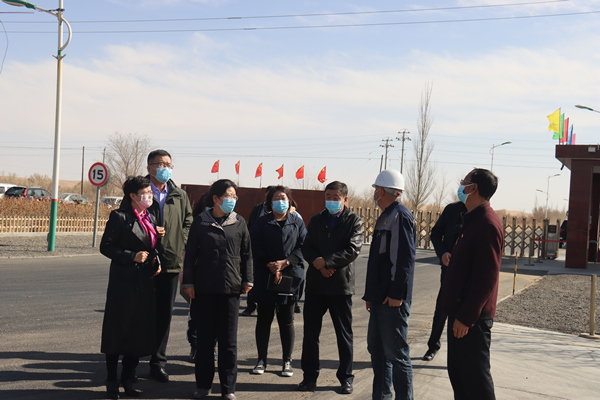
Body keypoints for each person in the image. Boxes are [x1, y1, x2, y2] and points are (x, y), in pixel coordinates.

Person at [182, 179, 253, 400]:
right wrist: (188, 283)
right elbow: (190, 254)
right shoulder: (201, 222)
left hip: (230, 288)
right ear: (216, 198)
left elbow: (247, 254)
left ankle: (228, 388)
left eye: (234, 196)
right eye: (228, 196)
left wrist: (248, 279)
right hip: (204, 288)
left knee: (228, 342)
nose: (232, 200)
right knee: (205, 341)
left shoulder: (239, 222)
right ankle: (203, 385)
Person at [100, 176, 165, 399]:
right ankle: (112, 380)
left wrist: (156, 260)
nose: (149, 196)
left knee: (137, 333)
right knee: (117, 333)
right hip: (123, 283)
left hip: (144, 282)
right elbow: (106, 247)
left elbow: (151, 246)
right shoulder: (119, 217)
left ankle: (128, 378)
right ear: (133, 196)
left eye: (150, 192)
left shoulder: (150, 217)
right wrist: (131, 256)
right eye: (145, 193)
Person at [440, 168, 503, 400]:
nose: (460, 186)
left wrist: (466, 317)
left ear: (473, 188)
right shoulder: (471, 219)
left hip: (471, 320)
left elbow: (487, 278)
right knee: (460, 379)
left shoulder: (487, 223)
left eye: (463, 182)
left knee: (476, 383)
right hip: (459, 312)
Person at [298, 181, 363, 394]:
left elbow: (352, 249)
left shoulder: (354, 221)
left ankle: (346, 378)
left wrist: (325, 262)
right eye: (328, 196)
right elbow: (307, 246)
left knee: (343, 335)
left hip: (340, 287)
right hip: (316, 285)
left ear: (345, 199)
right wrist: (318, 263)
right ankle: (309, 377)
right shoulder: (316, 220)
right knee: (310, 335)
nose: (331, 201)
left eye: (336, 197)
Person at [363, 169, 416, 400]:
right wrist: (371, 295)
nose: (374, 193)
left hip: (392, 300)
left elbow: (404, 259)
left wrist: (396, 294)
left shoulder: (400, 216)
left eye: (376, 189)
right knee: (377, 351)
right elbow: (379, 261)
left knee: (396, 354)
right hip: (379, 298)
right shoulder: (386, 215)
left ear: (383, 191)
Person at [145, 149, 194, 382]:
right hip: (145, 262)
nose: (165, 168)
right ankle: (131, 362)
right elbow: (128, 220)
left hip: (171, 262)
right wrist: (149, 233)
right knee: (140, 313)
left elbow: (188, 221)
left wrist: (179, 241)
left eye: (168, 164)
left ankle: (158, 363)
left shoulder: (179, 194)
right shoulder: (139, 191)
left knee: (164, 314)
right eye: (161, 164)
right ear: (149, 168)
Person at [249, 186, 307, 378]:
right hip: (265, 274)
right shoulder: (262, 222)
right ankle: (261, 360)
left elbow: (303, 246)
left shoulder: (297, 222)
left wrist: (285, 262)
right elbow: (254, 245)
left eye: (283, 198)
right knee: (264, 319)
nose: (280, 201)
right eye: (276, 198)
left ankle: (287, 361)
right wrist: (270, 264)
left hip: (290, 276)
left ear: (289, 201)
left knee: (286, 320)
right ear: (269, 202)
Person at [422, 201, 467, 362]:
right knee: (442, 308)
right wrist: (442, 253)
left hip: (468, 273)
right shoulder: (452, 210)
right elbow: (436, 234)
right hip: (448, 270)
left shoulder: (480, 213)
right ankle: (433, 346)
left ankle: (460, 354)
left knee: (464, 312)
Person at [242, 186, 276, 317]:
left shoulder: (280, 210)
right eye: (267, 195)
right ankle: (250, 306)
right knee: (253, 276)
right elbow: (250, 225)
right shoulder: (258, 208)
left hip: (272, 250)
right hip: (256, 248)